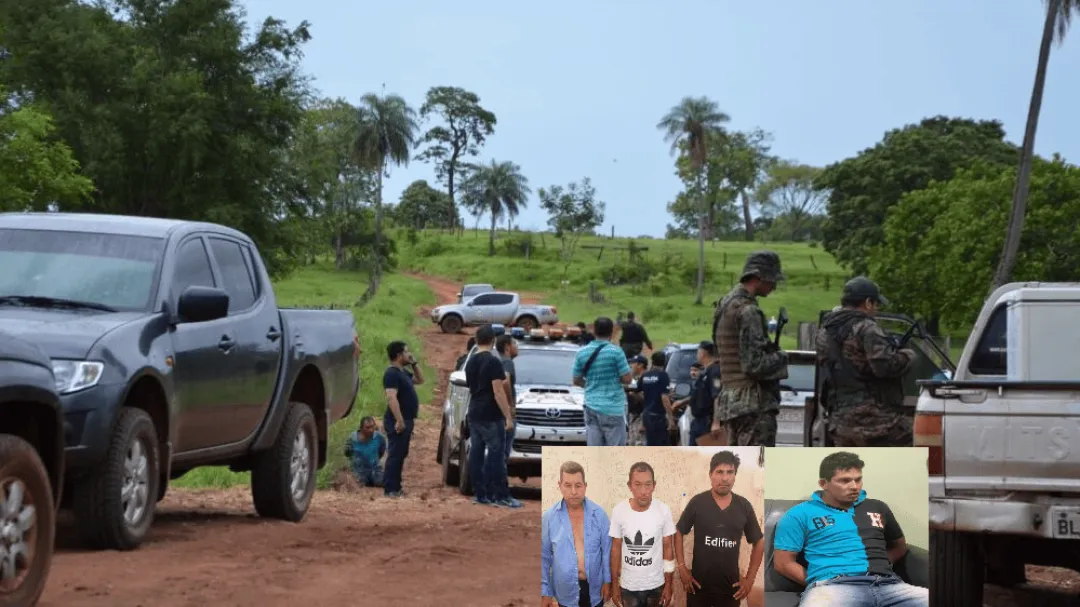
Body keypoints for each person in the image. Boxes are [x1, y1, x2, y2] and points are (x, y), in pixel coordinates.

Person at [772, 451, 928, 607]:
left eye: (858, 480)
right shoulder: (799, 514)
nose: (854, 486)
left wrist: (882, 564)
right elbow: (783, 563)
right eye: (845, 481)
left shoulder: (878, 507)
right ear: (823, 484)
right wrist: (817, 581)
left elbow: (899, 545)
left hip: (889, 585)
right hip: (834, 587)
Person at [815, 277, 917, 447]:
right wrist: (907, 356)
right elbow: (883, 368)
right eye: (876, 304)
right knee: (919, 439)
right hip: (875, 421)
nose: (876, 309)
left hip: (840, 422)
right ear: (868, 302)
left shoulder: (825, 331)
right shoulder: (866, 327)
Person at [713, 251, 789, 447]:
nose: (774, 286)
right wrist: (781, 357)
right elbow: (754, 365)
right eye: (772, 280)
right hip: (752, 405)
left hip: (731, 403)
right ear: (757, 277)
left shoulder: (725, 305)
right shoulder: (748, 311)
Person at [675, 451, 764, 607]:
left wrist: (750, 579)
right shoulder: (698, 502)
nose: (725, 478)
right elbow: (678, 532)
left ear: (735, 475)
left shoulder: (744, 506)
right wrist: (682, 568)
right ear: (711, 475)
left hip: (731, 590)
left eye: (730, 472)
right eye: (720, 472)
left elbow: (759, 542)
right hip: (698, 588)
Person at [542, 461, 613, 607]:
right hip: (565, 592)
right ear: (560, 485)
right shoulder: (549, 518)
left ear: (585, 486)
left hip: (595, 590)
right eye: (568, 485)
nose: (573, 491)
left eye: (578, 485)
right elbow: (544, 557)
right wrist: (545, 592)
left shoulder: (599, 515)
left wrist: (608, 581)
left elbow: (607, 552)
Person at [464, 325, 520, 508]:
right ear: (493, 340)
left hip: (474, 411)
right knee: (496, 455)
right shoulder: (494, 362)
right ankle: (500, 495)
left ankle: (480, 494)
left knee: (476, 453)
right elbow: (498, 391)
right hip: (491, 414)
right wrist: (508, 416)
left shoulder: (470, 362)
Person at [610, 462, 676, 607]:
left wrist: (669, 584)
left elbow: (668, 548)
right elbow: (615, 549)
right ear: (629, 486)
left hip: (657, 585)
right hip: (628, 587)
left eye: (648, 484)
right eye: (638, 484)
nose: (643, 491)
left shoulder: (663, 510)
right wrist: (615, 585)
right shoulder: (619, 511)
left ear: (654, 485)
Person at [573, 317, 633, 447]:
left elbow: (576, 380)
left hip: (591, 405)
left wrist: (590, 385)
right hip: (613, 408)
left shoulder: (582, 352)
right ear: (612, 332)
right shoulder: (616, 352)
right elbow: (627, 379)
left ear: (594, 331)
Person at [382, 340, 423, 498]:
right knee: (395, 453)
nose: (409, 354)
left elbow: (420, 380)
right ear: (399, 355)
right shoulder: (391, 373)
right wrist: (399, 420)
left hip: (406, 419)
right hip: (398, 420)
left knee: (401, 453)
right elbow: (391, 398)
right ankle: (390, 488)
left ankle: (396, 487)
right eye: (406, 352)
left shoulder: (403, 372)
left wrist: (414, 363)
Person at [689, 343, 721, 446]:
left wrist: (716, 422)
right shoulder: (705, 372)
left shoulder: (715, 371)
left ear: (703, 353)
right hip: (697, 420)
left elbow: (717, 396)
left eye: (698, 352)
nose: (697, 355)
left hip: (707, 421)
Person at [638, 351, 672, 447]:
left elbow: (637, 391)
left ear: (652, 361)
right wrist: (671, 419)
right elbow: (664, 397)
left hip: (647, 416)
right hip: (658, 417)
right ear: (664, 362)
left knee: (650, 443)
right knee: (662, 444)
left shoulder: (645, 376)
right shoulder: (663, 375)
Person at [343, 416, 387, 487]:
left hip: (375, 469)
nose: (371, 430)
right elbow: (347, 454)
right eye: (367, 427)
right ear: (361, 428)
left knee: (382, 482)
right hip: (359, 470)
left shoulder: (379, 437)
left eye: (373, 427)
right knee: (358, 483)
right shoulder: (352, 439)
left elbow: (381, 451)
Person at [495, 334, 519, 461]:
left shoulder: (498, 361)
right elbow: (505, 381)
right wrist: (510, 405)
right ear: (507, 347)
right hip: (506, 413)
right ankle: (499, 479)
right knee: (503, 452)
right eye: (514, 344)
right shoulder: (507, 362)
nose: (517, 347)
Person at [625, 355, 648, 447]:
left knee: (638, 444)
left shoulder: (646, 379)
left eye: (633, 363)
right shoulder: (637, 379)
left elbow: (647, 400)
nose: (630, 366)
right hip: (634, 417)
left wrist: (633, 394)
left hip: (640, 417)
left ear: (640, 365)